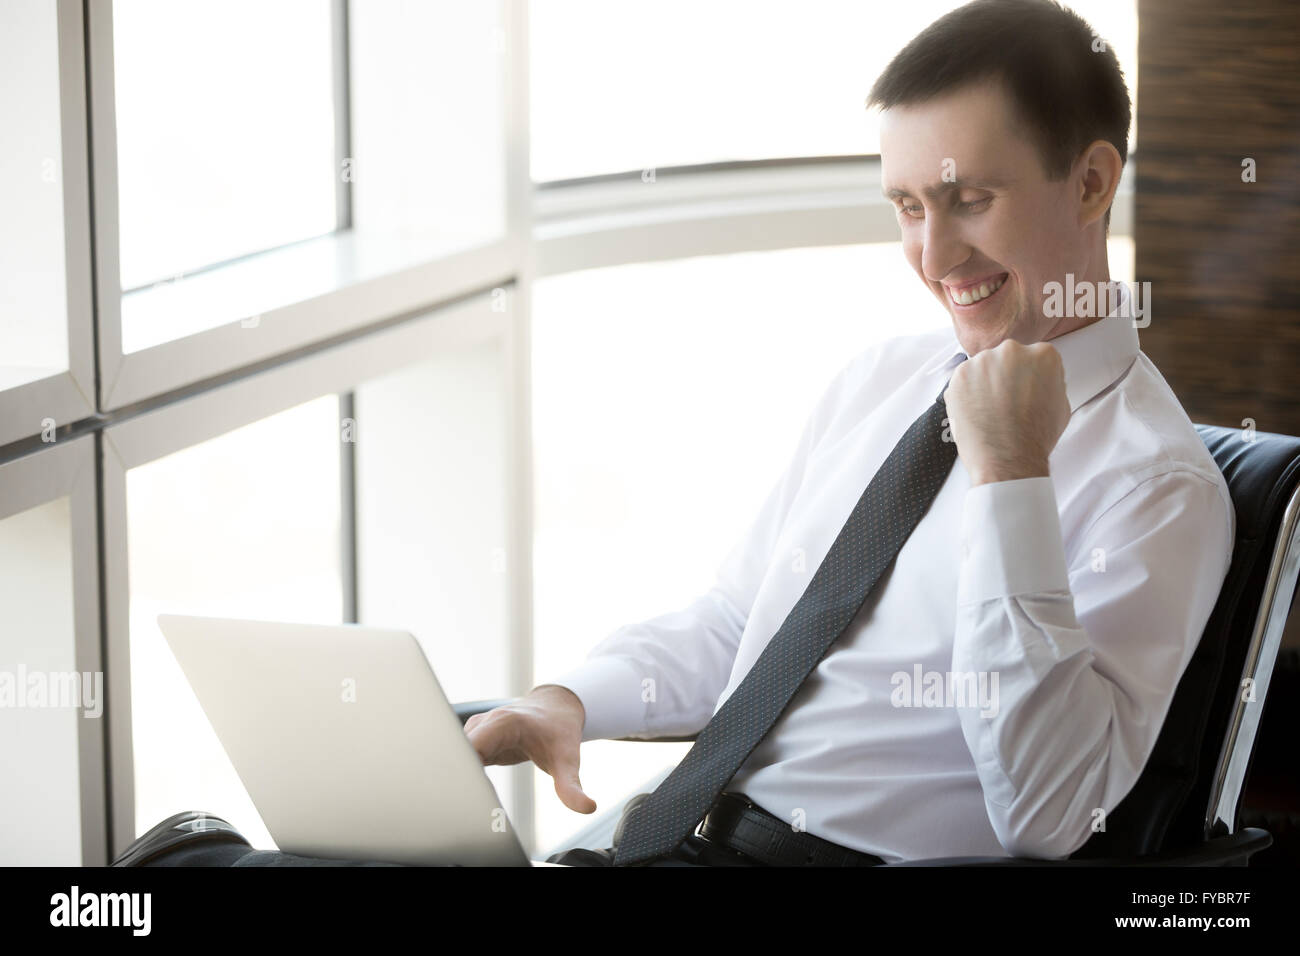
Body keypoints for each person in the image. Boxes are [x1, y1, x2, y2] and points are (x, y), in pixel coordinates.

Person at [116, 0, 1234, 869]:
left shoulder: (1156, 485)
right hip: (669, 839)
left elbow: (1045, 813)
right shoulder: (882, 382)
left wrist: (1009, 478)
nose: (934, 257)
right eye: (905, 207)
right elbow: (743, 624)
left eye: (968, 198)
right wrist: (570, 699)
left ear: (1090, 181)